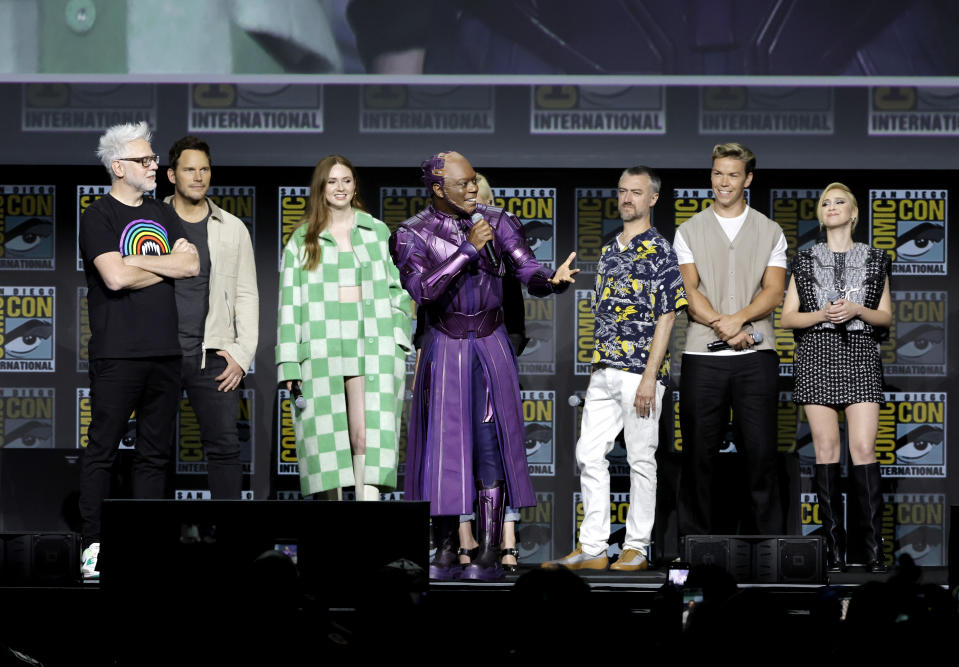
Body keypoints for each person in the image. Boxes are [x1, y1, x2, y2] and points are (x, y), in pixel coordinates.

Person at [390, 151, 578, 581]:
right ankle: (442, 546)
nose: (473, 189)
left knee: (490, 445)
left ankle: (491, 550)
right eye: (464, 184)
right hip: (445, 343)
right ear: (438, 189)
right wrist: (467, 249)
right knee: (442, 448)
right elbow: (423, 292)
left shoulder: (499, 219)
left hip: (491, 343)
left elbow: (524, 264)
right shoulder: (410, 234)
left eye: (474, 181)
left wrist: (549, 281)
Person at [544, 166, 687, 571]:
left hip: (641, 373)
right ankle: (593, 548)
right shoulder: (609, 250)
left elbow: (667, 317)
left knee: (642, 460)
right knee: (589, 454)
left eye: (636, 192)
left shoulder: (662, 250)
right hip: (603, 370)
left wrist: (649, 376)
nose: (627, 199)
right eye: (623, 191)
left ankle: (636, 547)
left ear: (652, 199)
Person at [77, 121, 200, 579]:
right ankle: (94, 546)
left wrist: (136, 262)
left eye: (153, 159)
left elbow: (191, 265)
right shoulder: (98, 217)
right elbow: (114, 278)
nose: (155, 166)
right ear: (118, 166)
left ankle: (146, 548)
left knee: (154, 456)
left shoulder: (164, 214)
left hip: (165, 353)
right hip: (117, 354)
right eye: (145, 160)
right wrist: (162, 267)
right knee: (103, 451)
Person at [276, 155, 411, 501]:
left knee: (366, 438)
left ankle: (367, 530)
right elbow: (288, 306)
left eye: (346, 180)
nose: (340, 187)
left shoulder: (376, 231)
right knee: (327, 447)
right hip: (321, 348)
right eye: (332, 181)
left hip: (372, 343)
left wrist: (397, 335)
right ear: (320, 187)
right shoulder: (302, 239)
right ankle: (335, 535)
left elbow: (399, 289)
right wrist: (288, 362)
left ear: (354, 186)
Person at [675, 142, 787, 537]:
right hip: (701, 357)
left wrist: (737, 321)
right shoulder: (688, 230)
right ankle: (694, 546)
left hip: (756, 357)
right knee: (698, 458)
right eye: (718, 173)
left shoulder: (771, 230)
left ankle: (767, 549)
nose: (723, 182)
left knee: (760, 455)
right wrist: (724, 326)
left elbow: (774, 292)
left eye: (733, 174)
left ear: (748, 179)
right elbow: (688, 291)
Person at [780, 183, 892, 573]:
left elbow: (886, 318)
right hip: (816, 353)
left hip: (860, 353)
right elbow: (788, 317)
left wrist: (858, 309)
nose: (831, 206)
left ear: (854, 213)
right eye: (825, 202)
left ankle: (873, 550)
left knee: (862, 449)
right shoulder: (806, 260)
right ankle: (834, 551)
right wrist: (824, 315)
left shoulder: (876, 259)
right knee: (826, 450)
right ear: (820, 214)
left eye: (839, 201)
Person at [164, 136, 259, 500]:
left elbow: (247, 294)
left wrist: (241, 353)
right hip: (162, 353)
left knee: (224, 450)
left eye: (204, 169)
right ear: (172, 175)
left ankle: (229, 548)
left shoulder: (232, 227)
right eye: (189, 169)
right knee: (153, 451)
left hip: (215, 356)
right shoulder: (153, 222)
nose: (198, 176)